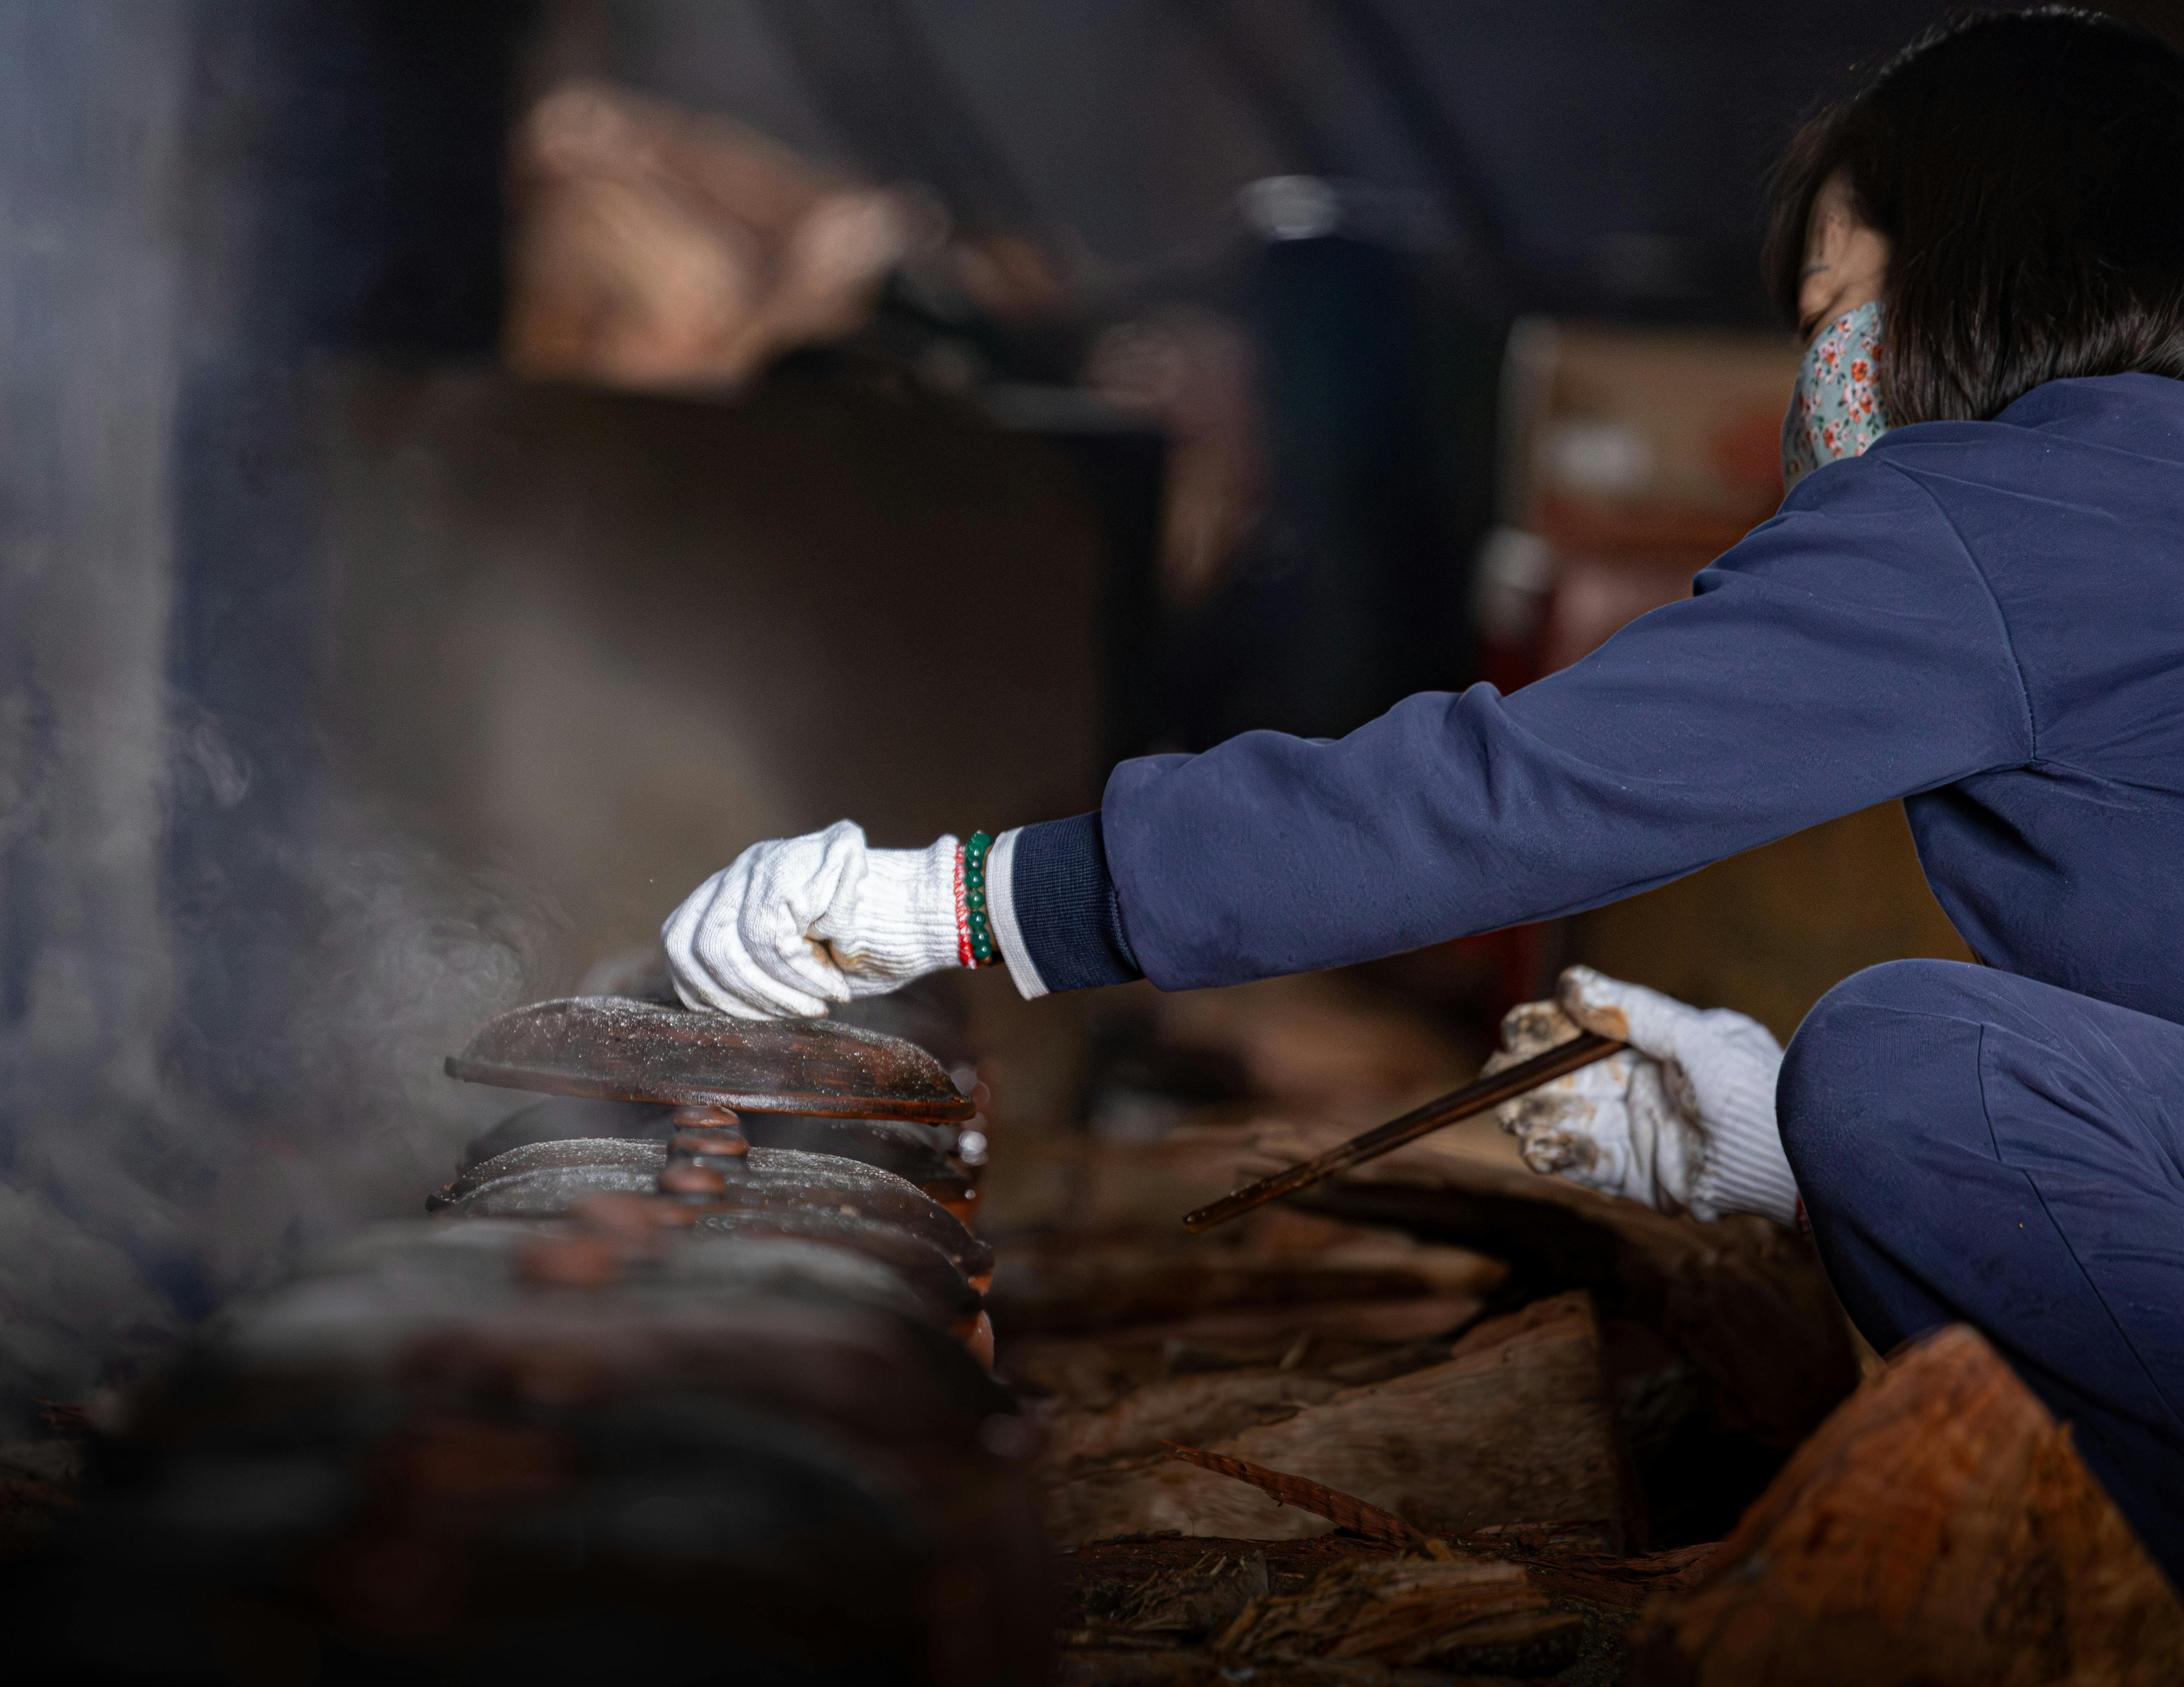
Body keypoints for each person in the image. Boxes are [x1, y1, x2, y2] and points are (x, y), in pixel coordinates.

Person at [658, 11, 2184, 1575]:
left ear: (2003, 271)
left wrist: (970, 899)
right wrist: (1771, 1137)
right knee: (1908, 1064)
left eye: (1835, 310)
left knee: (1909, 1057)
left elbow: (1507, 796)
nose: (1818, 376)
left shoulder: (2026, 509)